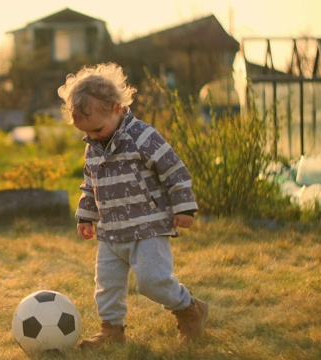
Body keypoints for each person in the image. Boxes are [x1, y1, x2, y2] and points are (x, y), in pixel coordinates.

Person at [57, 62, 208, 349]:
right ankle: (111, 330)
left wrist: (184, 207)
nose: (93, 137)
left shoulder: (142, 136)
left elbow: (174, 170)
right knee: (107, 285)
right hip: (112, 232)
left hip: (148, 225)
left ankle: (189, 308)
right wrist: (86, 216)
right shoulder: (93, 146)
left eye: (97, 129)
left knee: (152, 281)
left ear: (116, 108)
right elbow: (91, 184)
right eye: (87, 133)